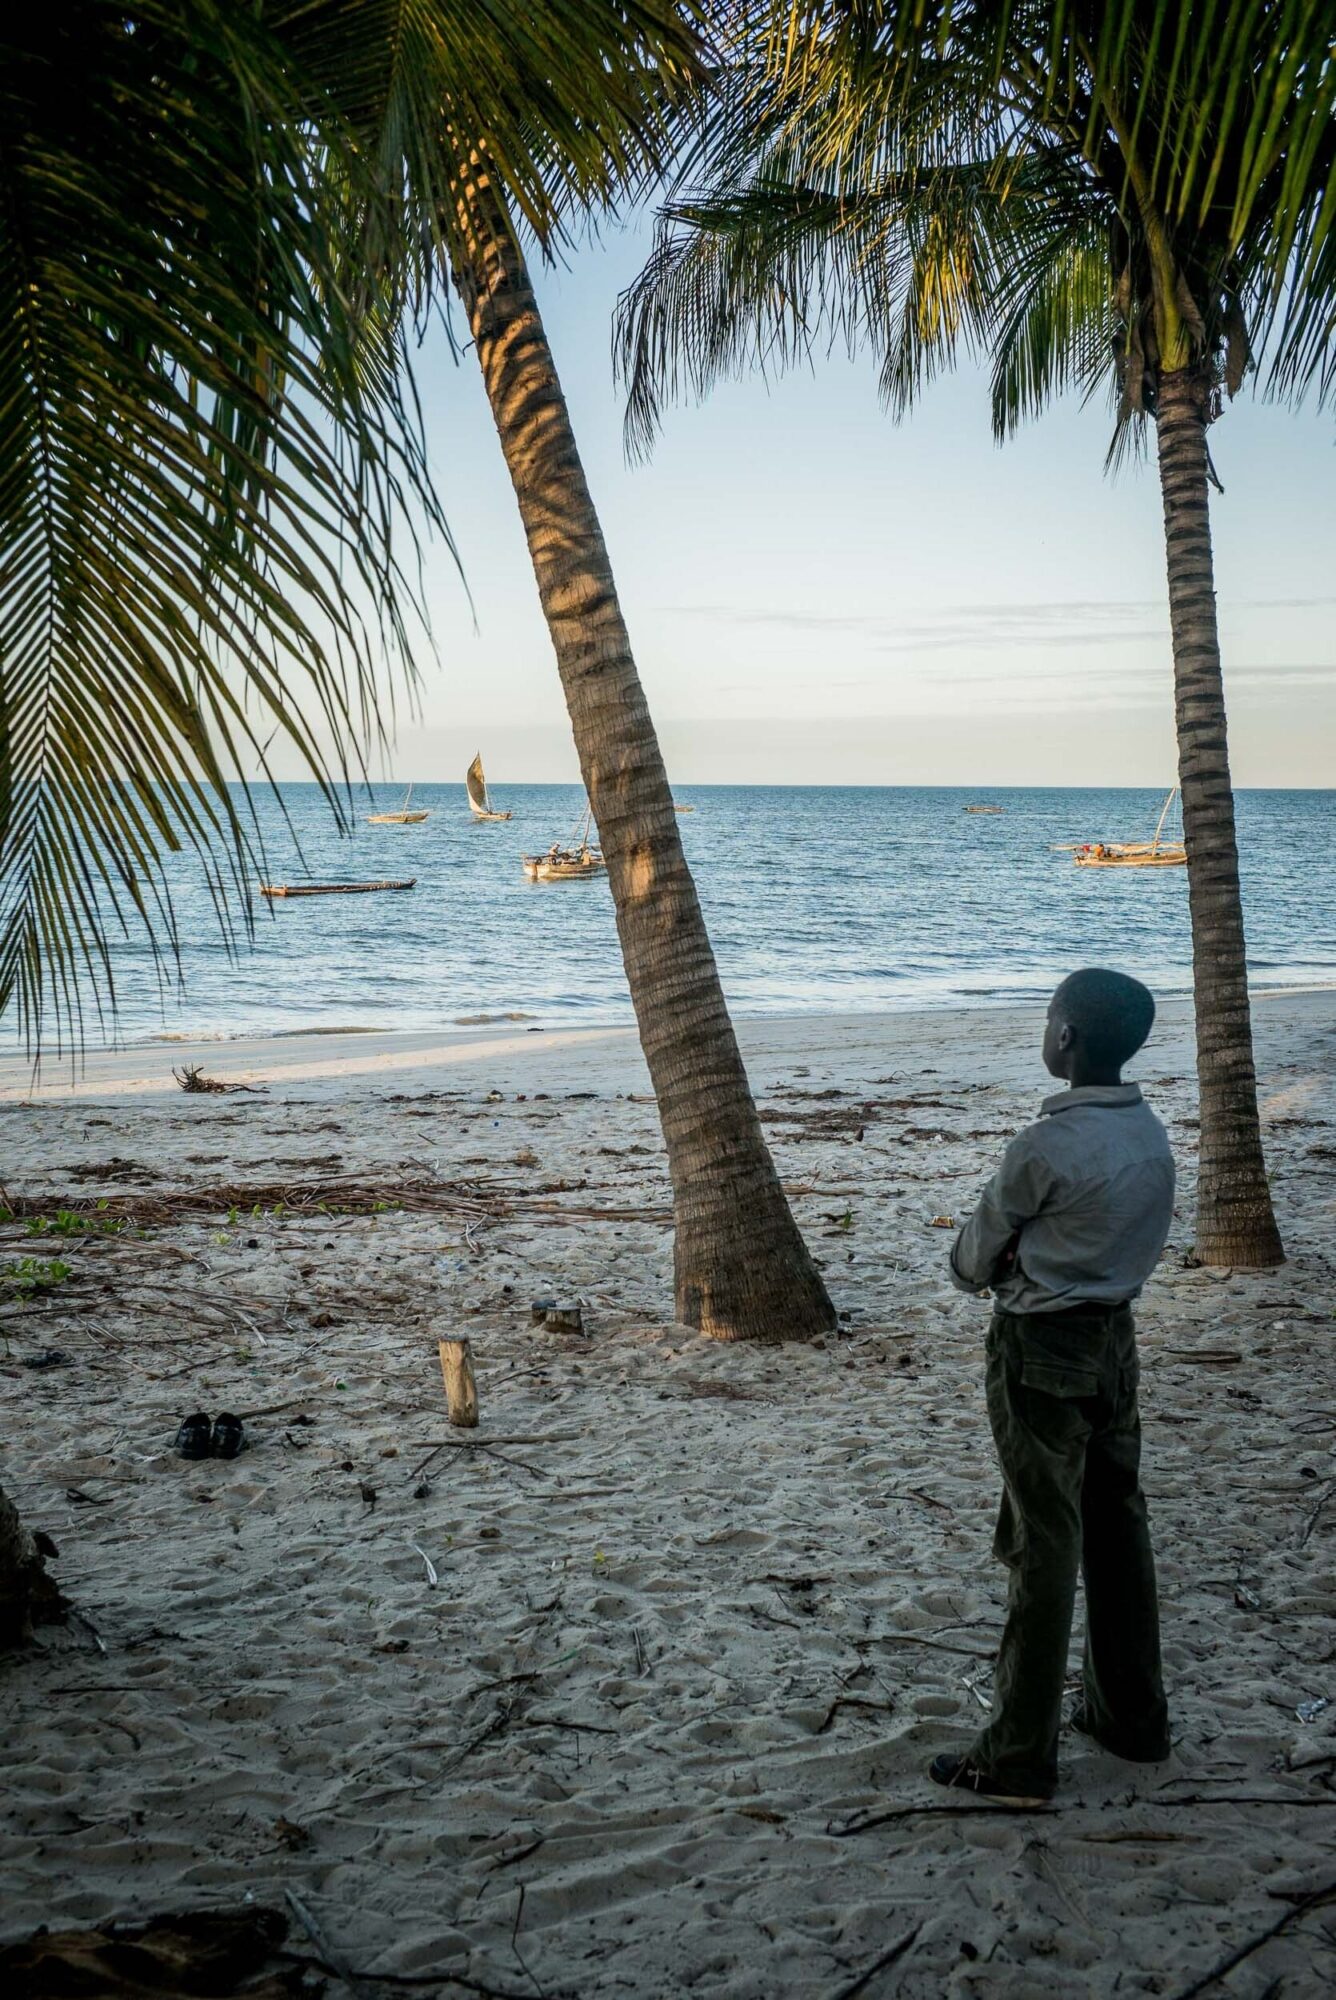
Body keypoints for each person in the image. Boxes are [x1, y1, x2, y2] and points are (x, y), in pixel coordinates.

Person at [930, 967, 1176, 1806]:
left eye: (1048, 1021)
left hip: (1040, 1346)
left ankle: (1017, 1755)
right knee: (1117, 1525)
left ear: (1064, 1039)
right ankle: (1131, 1718)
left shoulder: (1043, 1146)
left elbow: (971, 1260)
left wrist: (1008, 1260)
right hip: (1115, 1339)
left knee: (1043, 1540)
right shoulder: (1147, 1132)